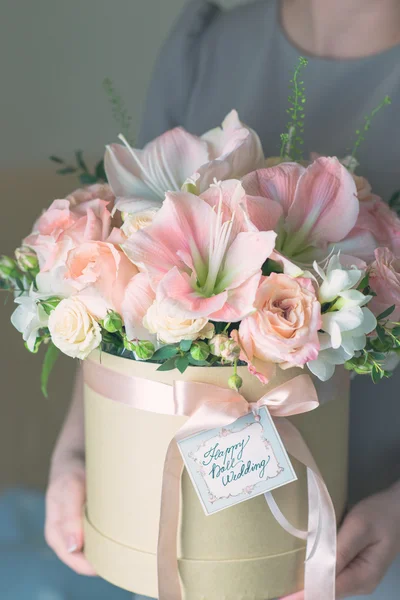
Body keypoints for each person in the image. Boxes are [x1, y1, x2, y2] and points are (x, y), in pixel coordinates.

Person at [45, 1, 400, 598]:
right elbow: (122, 256)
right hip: (190, 534)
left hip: (367, 543)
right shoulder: (204, 44)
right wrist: (80, 447)